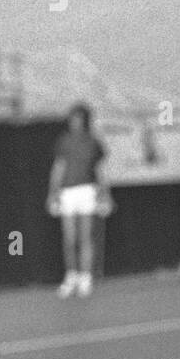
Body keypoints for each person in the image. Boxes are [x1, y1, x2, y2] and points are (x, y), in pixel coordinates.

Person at [48, 102, 110, 298]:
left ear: (85, 121)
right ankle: (71, 276)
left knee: (86, 237)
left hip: (88, 191)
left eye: (79, 119)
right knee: (69, 238)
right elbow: (58, 168)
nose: (76, 122)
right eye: (73, 119)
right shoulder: (64, 141)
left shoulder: (93, 141)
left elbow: (100, 170)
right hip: (67, 193)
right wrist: (53, 193)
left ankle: (85, 278)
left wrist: (105, 194)